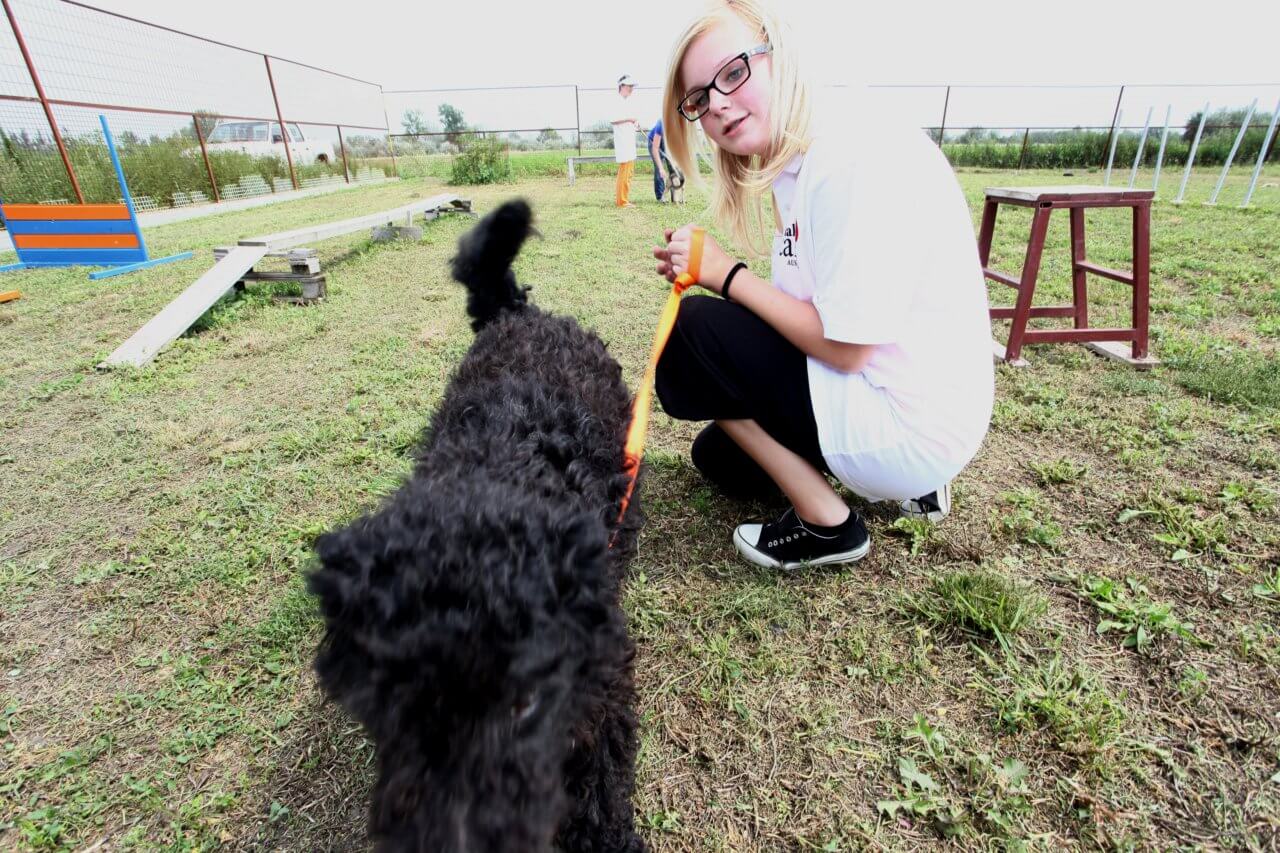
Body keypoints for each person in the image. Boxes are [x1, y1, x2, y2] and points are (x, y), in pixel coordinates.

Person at [651, 0, 994, 571]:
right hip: (917, 406)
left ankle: (828, 524)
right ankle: (913, 485)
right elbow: (813, 309)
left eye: (733, 72)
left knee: (690, 335)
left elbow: (848, 348)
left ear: (777, 54)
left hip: (906, 419)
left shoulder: (847, 155)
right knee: (719, 458)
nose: (719, 104)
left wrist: (726, 275)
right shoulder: (802, 156)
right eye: (700, 99)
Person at [611, 75, 639, 207]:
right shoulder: (616, 101)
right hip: (623, 142)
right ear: (622, 86)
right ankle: (622, 201)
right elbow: (613, 119)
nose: (631, 89)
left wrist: (634, 122)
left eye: (632, 86)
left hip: (628, 141)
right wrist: (630, 119)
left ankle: (623, 199)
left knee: (629, 172)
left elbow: (628, 119)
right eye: (629, 86)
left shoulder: (625, 102)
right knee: (625, 171)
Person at [648, 119, 667, 202]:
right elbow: (655, 149)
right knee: (659, 168)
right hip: (653, 142)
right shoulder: (661, 124)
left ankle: (674, 196)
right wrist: (661, 168)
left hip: (666, 142)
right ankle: (660, 196)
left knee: (672, 166)